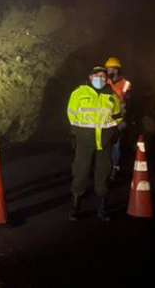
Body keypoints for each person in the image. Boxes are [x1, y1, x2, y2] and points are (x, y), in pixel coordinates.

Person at [66, 66, 122, 221]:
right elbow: (71, 113)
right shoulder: (79, 93)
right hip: (85, 141)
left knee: (103, 174)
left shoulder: (111, 95)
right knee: (80, 172)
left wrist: (115, 131)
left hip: (105, 142)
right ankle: (75, 206)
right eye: (97, 76)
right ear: (90, 77)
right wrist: (77, 133)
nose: (101, 79)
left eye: (104, 76)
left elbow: (118, 116)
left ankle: (102, 208)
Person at [104, 57, 131, 181]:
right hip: (105, 117)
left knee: (116, 144)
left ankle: (114, 168)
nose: (108, 70)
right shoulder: (105, 81)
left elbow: (125, 100)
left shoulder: (126, 83)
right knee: (105, 144)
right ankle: (105, 168)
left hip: (119, 118)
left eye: (110, 68)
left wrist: (124, 120)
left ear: (116, 69)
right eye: (107, 68)